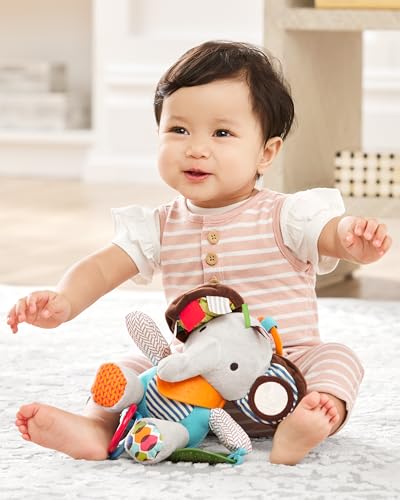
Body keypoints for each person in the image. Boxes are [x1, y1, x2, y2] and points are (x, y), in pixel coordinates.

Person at [7, 41, 391, 466]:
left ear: (266, 153)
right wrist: (64, 300)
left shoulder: (286, 216)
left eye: (221, 133)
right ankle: (96, 426)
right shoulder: (159, 225)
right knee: (132, 364)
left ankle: (308, 421)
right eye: (179, 130)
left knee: (338, 359)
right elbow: (102, 267)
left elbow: (327, 233)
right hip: (190, 381)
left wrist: (350, 238)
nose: (196, 148)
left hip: (281, 371)